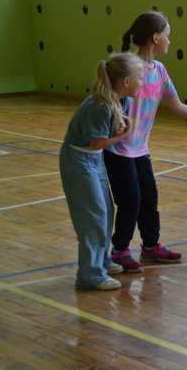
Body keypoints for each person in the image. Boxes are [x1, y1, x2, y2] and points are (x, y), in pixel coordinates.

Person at [105, 11, 187, 273]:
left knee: (149, 198)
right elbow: (106, 99)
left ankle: (150, 247)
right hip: (117, 150)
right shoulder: (128, 68)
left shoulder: (159, 70)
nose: (170, 41)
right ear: (155, 38)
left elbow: (177, 106)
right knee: (130, 200)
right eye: (168, 36)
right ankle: (119, 250)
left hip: (140, 150)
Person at [59, 53, 143, 290]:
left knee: (105, 210)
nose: (142, 82)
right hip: (78, 160)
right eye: (139, 78)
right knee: (92, 216)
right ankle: (90, 275)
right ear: (126, 81)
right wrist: (124, 135)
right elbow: (96, 143)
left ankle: (102, 261)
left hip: (92, 160)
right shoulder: (100, 105)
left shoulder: (118, 100)